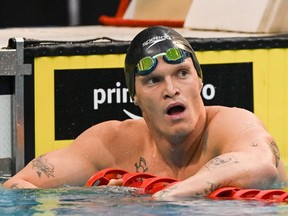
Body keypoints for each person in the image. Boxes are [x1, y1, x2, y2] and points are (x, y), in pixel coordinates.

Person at [3, 26, 287, 200]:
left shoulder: (231, 123)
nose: (171, 89)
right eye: (154, 80)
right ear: (134, 96)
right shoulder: (112, 144)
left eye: (182, 73)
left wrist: (170, 194)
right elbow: (17, 185)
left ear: (200, 80)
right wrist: (97, 200)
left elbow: (261, 166)